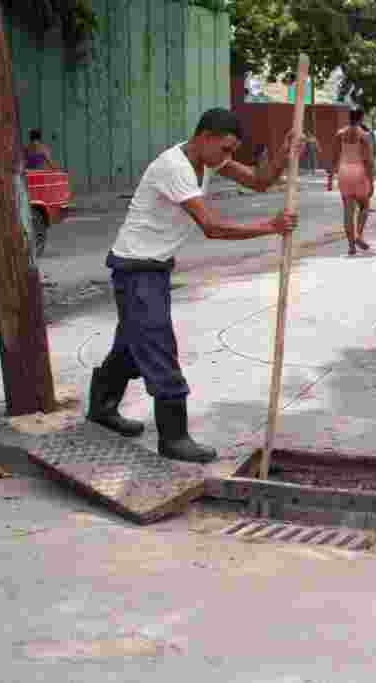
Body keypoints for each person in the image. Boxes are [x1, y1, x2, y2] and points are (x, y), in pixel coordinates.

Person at [86, 108, 301, 464]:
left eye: (232, 151)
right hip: (137, 269)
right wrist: (271, 226)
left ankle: (102, 408)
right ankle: (174, 437)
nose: (227, 158)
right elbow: (212, 227)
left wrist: (284, 152)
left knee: (131, 346)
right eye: (225, 149)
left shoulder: (207, 159)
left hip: (151, 268)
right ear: (204, 137)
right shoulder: (175, 167)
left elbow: (259, 181)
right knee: (158, 347)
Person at [328, 107, 375, 255]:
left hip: (344, 171)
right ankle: (358, 235)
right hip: (359, 171)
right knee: (365, 206)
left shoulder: (340, 134)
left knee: (348, 210)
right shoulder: (365, 135)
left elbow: (334, 157)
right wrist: (371, 181)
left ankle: (351, 246)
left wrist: (330, 177)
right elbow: (369, 161)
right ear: (361, 118)